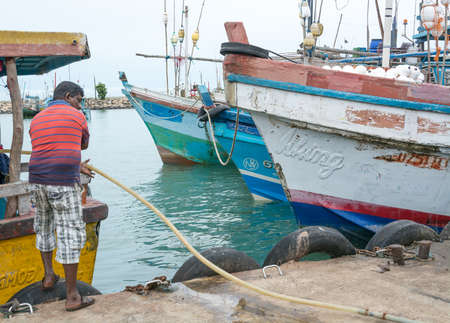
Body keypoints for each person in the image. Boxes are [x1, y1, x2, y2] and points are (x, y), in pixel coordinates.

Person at [29, 81, 95, 311]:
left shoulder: (37, 119)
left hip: (37, 181)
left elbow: (49, 148)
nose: (80, 105)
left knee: (44, 226)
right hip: (63, 183)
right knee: (70, 233)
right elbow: (82, 145)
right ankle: (73, 296)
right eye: (78, 100)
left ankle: (49, 276)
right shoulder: (77, 116)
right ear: (69, 97)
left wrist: (76, 165)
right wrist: (76, 163)